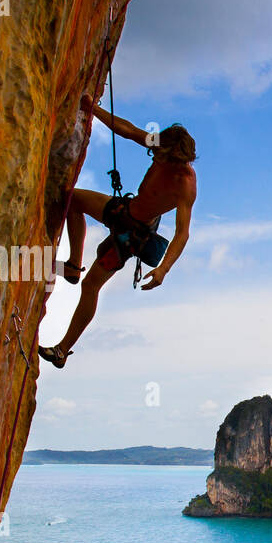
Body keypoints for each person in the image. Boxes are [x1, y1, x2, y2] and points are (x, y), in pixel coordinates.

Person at [39, 96, 197, 368]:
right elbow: (128, 130)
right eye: (156, 151)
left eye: (162, 157)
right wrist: (93, 109)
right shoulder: (162, 146)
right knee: (72, 200)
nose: (155, 155)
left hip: (133, 236)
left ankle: (62, 350)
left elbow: (183, 233)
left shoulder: (185, 183)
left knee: (92, 286)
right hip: (125, 209)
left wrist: (163, 270)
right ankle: (74, 266)